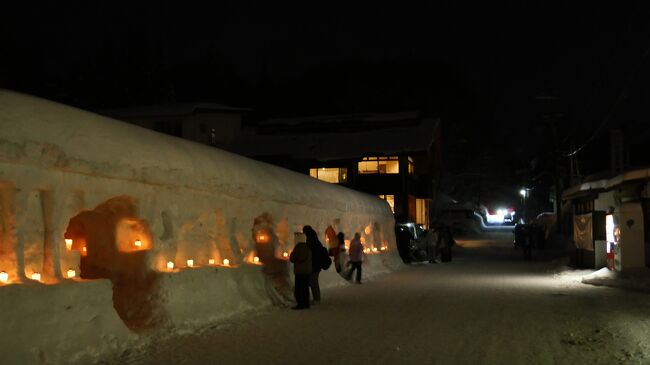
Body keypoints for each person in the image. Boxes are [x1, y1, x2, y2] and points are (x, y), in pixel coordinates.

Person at [303, 225, 325, 304]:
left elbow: (310, 252)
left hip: (314, 264)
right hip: (316, 264)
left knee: (313, 282)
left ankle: (317, 299)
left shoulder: (311, 240)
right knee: (313, 281)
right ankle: (316, 298)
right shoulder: (315, 239)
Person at [289, 232, 311, 310]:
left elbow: (292, 258)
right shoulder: (308, 247)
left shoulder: (297, 248)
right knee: (305, 288)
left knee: (299, 288)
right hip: (307, 271)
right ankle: (306, 303)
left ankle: (300, 304)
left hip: (300, 271)